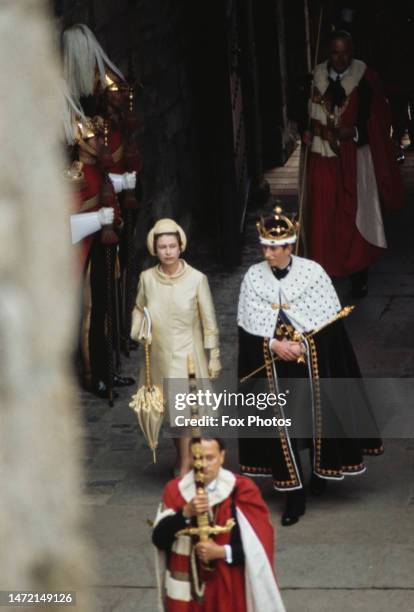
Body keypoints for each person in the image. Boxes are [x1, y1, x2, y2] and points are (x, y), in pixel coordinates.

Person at [237, 205, 384, 526]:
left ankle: (321, 471)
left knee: (317, 420)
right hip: (273, 365)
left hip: (310, 363)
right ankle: (294, 493)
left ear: (290, 246)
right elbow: (247, 327)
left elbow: (330, 329)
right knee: (281, 427)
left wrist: (303, 343)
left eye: (275, 247)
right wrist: (273, 344)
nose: (268, 253)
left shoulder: (313, 273)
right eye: (264, 246)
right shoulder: (252, 277)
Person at [302, 30, 404, 297]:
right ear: (328, 52)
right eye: (335, 52)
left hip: (353, 158)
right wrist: (307, 130)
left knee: (353, 215)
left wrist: (355, 132)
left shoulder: (365, 78)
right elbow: (303, 113)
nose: (340, 57)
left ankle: (359, 274)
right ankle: (323, 273)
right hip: (321, 157)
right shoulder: (315, 77)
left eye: (345, 51)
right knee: (323, 216)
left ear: (352, 50)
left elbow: (378, 119)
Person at [152, 437, 285, 612]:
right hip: (188, 588)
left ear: (222, 457)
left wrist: (221, 551)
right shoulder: (176, 490)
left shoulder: (242, 490)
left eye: (210, 457)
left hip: (229, 583)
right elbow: (159, 539)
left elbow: (259, 548)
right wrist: (185, 513)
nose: (204, 464)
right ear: (190, 459)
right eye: (198, 458)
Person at [130, 219, 221, 474]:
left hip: (188, 353)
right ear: (154, 249)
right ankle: (184, 458)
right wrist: (139, 332)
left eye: (172, 246)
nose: (168, 251)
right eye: (162, 247)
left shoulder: (197, 279)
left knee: (188, 412)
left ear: (181, 247)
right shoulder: (146, 279)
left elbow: (209, 321)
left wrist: (214, 355)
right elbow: (139, 309)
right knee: (168, 411)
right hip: (158, 355)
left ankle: (185, 464)